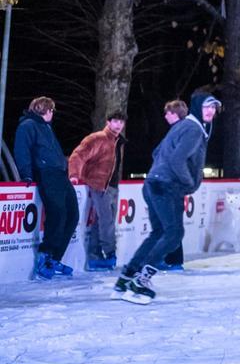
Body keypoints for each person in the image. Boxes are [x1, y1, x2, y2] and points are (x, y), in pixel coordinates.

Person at [113, 95, 218, 304]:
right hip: (166, 186)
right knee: (174, 233)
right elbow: (176, 159)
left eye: (214, 108)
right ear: (198, 108)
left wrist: (159, 172)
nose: (211, 111)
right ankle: (142, 280)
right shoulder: (194, 129)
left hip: (153, 182)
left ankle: (125, 279)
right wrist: (188, 183)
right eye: (207, 106)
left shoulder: (182, 126)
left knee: (159, 232)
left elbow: (157, 152)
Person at [14, 96, 78, 280]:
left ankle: (54, 258)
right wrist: (26, 173)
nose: (53, 113)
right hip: (47, 174)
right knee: (57, 213)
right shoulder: (28, 126)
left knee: (72, 215)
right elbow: (22, 150)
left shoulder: (46, 127)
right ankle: (45, 256)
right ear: (43, 109)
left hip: (60, 174)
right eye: (51, 110)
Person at [68, 111, 128, 271]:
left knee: (100, 222)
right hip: (99, 185)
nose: (119, 125)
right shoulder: (98, 138)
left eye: (121, 122)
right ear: (108, 122)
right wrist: (74, 174)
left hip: (112, 186)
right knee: (106, 221)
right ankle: (110, 254)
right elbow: (78, 155)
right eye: (115, 121)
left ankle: (95, 257)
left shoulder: (117, 141)